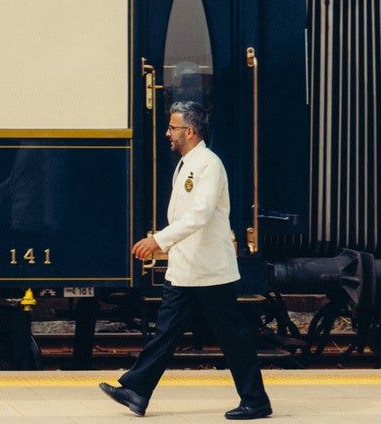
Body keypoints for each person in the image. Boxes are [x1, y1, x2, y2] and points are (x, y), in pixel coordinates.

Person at [99, 101, 272, 419]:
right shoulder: (188, 163)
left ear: (189, 131)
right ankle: (136, 391)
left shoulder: (208, 164)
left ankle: (256, 400)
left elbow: (200, 215)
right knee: (165, 333)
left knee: (232, 336)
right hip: (185, 269)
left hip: (208, 271)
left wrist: (158, 240)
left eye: (172, 128)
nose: (167, 133)